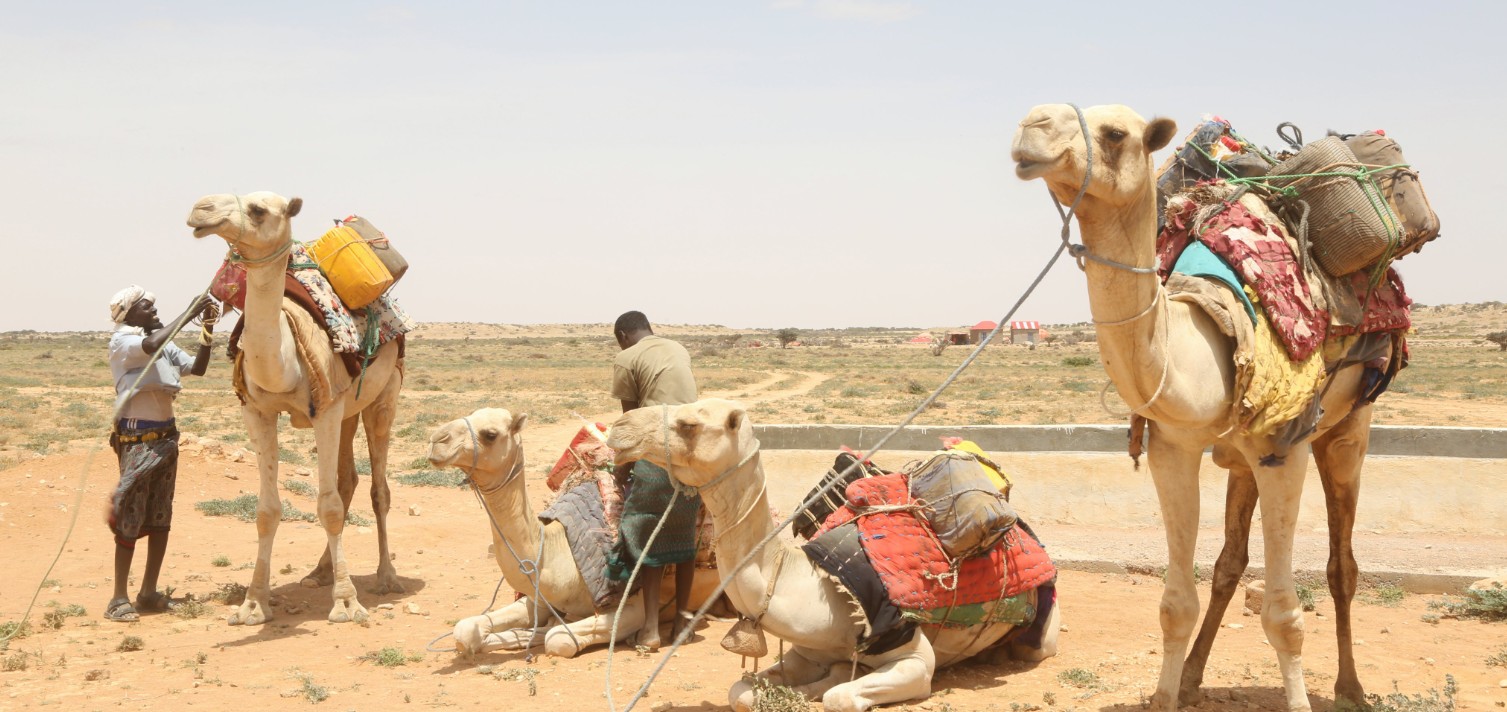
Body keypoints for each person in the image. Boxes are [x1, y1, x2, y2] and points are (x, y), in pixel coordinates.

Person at [103, 286, 218, 622]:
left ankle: (149, 592)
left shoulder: (160, 341)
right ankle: (118, 598)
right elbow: (151, 345)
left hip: (166, 437)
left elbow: (197, 368)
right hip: (137, 439)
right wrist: (189, 310)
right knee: (131, 513)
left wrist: (206, 329)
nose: (153, 311)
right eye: (146, 307)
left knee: (159, 515)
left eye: (154, 307)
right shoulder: (124, 341)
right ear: (129, 314)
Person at [604, 311, 700, 650]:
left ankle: (650, 629)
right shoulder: (677, 348)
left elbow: (632, 419)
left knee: (646, 532)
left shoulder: (626, 357)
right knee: (686, 534)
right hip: (693, 448)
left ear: (622, 335)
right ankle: (684, 623)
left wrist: (621, 467)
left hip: (659, 444)